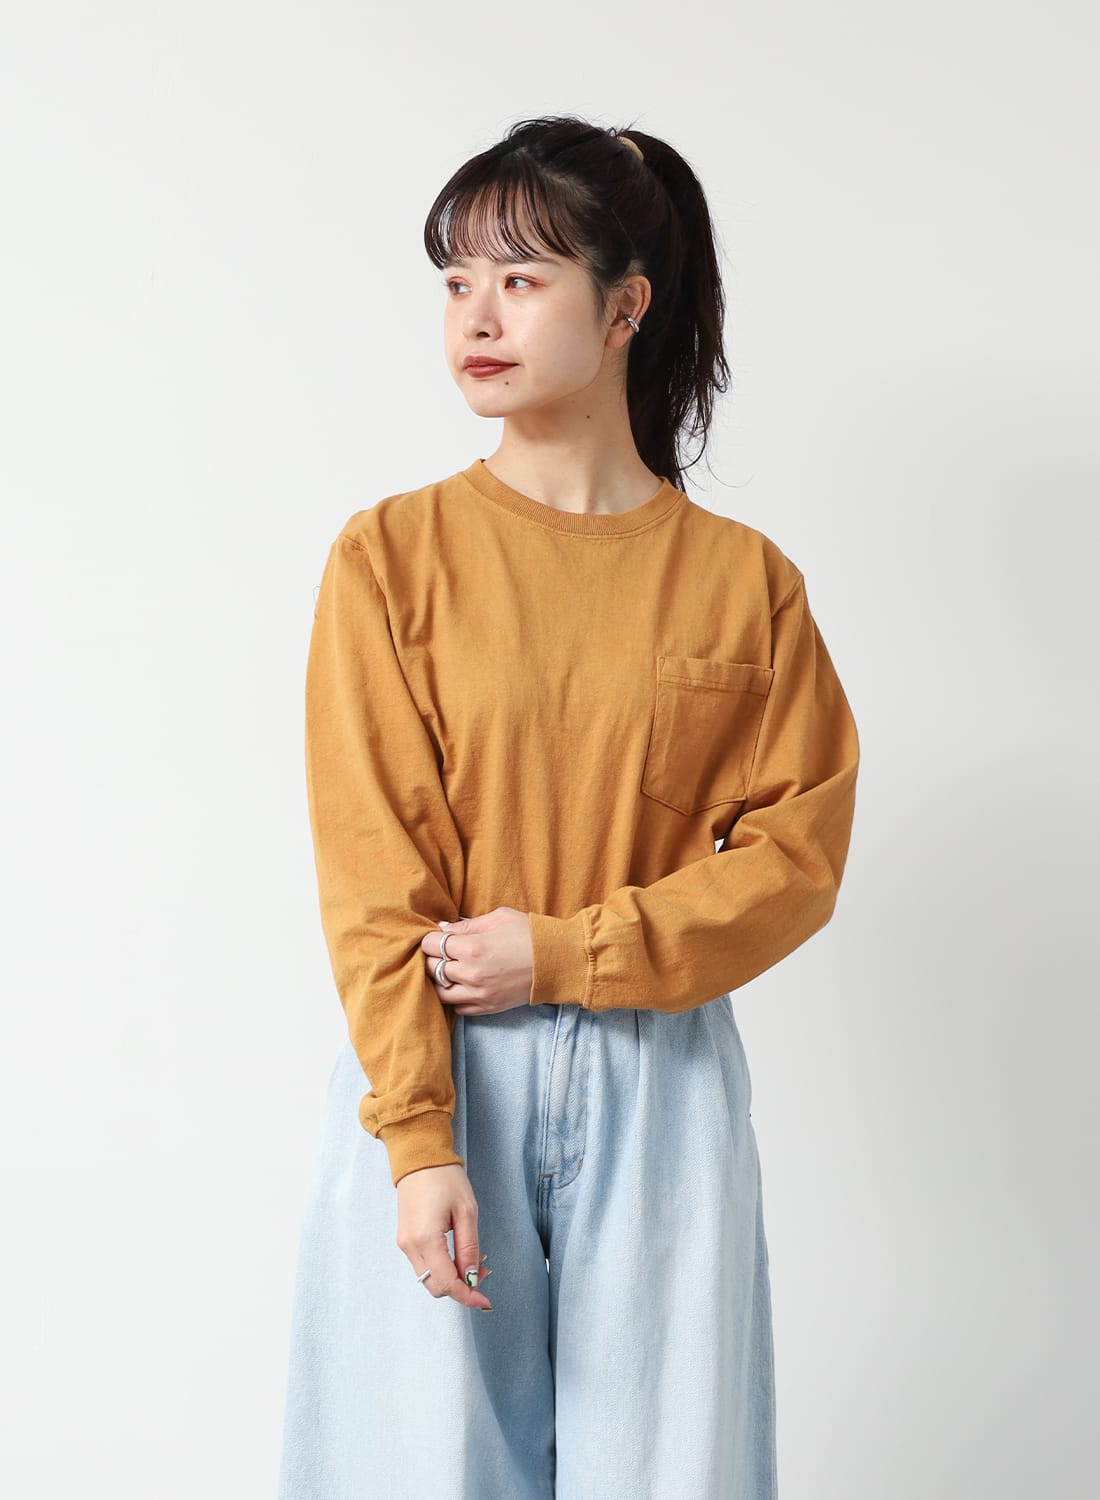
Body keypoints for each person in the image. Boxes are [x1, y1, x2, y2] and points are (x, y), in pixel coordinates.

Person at [276, 114, 860, 1500]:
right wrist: (419, 1139)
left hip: (664, 1085)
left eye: (521, 279)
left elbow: (796, 858)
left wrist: (567, 951)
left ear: (624, 308)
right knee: (416, 1471)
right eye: (455, 282)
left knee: (672, 1474)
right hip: (445, 1068)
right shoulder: (392, 557)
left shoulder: (743, 585)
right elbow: (375, 871)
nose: (476, 318)